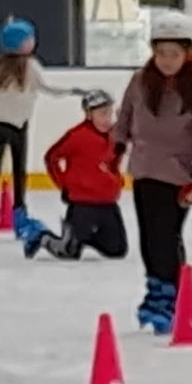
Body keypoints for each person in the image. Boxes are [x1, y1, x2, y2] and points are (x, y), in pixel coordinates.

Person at [114, 9, 192, 333]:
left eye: (173, 54)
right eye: (160, 53)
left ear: (187, 54)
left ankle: (171, 294)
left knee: (166, 238)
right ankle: (156, 291)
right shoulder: (140, 82)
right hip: (145, 170)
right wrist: (117, 147)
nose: (166, 60)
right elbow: (126, 116)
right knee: (150, 238)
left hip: (179, 177)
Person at [0, 17, 72, 233]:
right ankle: (19, 215)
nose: (33, 42)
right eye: (29, 39)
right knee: (19, 170)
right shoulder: (30, 66)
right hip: (18, 124)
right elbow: (49, 88)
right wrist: (73, 91)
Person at [23, 90, 131, 261]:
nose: (107, 119)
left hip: (107, 203)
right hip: (82, 204)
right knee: (69, 253)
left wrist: (116, 181)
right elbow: (52, 157)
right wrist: (64, 184)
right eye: (102, 114)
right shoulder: (76, 136)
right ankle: (42, 237)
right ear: (89, 115)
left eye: (110, 113)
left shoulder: (114, 136)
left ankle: (81, 237)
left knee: (117, 250)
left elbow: (112, 164)